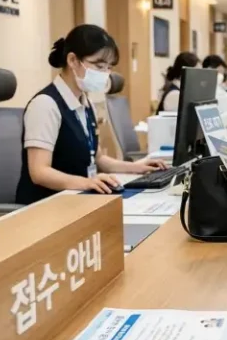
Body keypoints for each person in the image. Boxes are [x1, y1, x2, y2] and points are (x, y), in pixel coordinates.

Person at [16, 25, 167, 205]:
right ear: (72, 60)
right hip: (47, 206)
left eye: (109, 67)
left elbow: (98, 158)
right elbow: (39, 172)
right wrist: (86, 182)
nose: (105, 74)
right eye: (99, 66)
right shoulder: (45, 105)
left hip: (80, 200)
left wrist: (137, 167)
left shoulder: (86, 104)